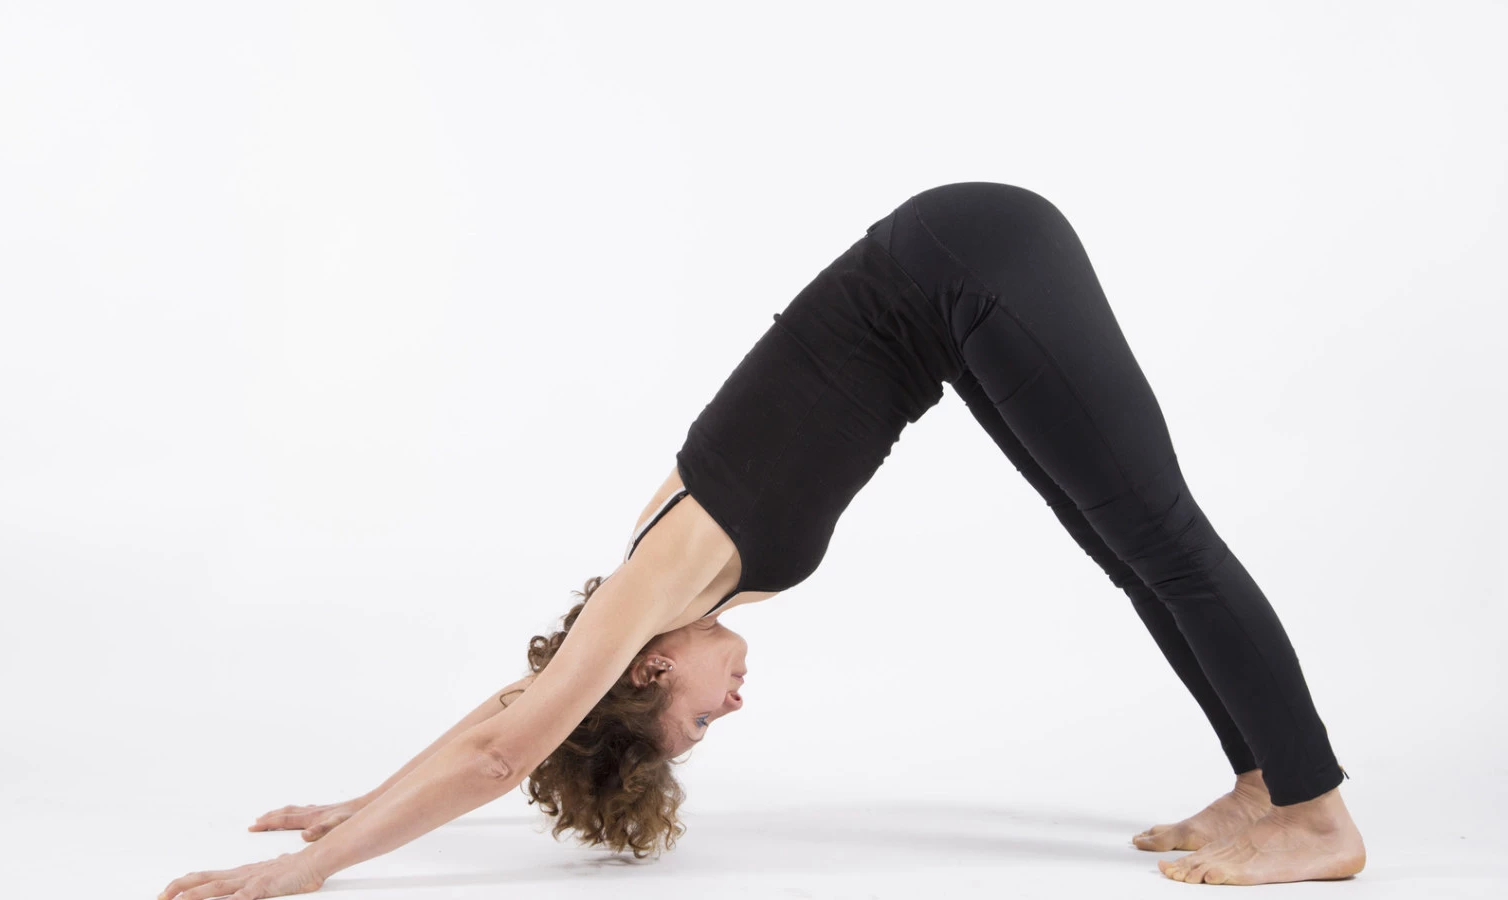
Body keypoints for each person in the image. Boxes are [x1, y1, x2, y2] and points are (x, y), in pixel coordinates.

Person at [158, 182, 1365, 900]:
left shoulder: (656, 584)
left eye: (692, 722)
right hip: (951, 293)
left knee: (1163, 535)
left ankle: (1315, 817)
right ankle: (1261, 782)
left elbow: (500, 753)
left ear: (647, 670)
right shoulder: (653, 595)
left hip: (967, 262)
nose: (727, 713)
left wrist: (306, 876)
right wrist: (357, 801)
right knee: (1131, 548)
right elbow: (513, 709)